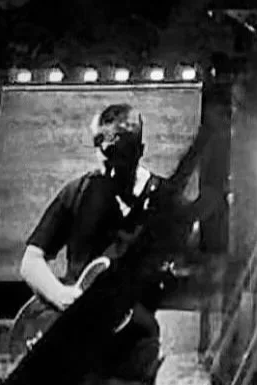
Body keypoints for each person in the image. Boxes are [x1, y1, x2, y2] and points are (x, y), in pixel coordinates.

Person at [19, 103, 164, 340]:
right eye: (105, 154)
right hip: (72, 330)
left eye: (121, 155)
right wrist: (60, 295)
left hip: (126, 336)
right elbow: (31, 261)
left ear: (140, 150)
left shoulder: (160, 199)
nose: (111, 168)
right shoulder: (78, 192)